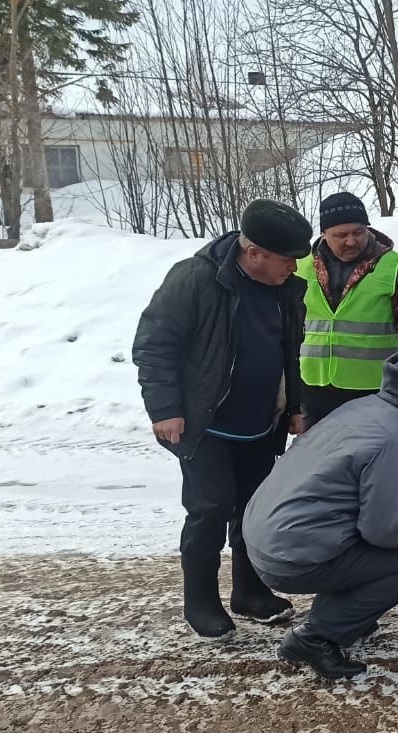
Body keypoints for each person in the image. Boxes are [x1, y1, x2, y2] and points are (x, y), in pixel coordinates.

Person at [131, 199, 313, 640]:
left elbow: (290, 351)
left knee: (253, 510)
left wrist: (295, 405)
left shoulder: (285, 289)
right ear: (255, 253)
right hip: (203, 423)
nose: (294, 267)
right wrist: (165, 409)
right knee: (210, 509)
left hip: (260, 423)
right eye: (288, 259)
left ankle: (249, 593)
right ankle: (201, 601)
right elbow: (154, 345)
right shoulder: (195, 279)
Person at [243, 350, 398, 679]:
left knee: (372, 554)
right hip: (293, 557)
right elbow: (386, 530)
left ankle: (346, 617)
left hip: (267, 537)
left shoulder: (362, 409)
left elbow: (343, 480)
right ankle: (314, 638)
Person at [297, 192, 398, 427]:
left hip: (375, 391)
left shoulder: (394, 266)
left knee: (371, 461)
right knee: (319, 462)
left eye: (358, 232)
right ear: (323, 234)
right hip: (313, 392)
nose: (351, 241)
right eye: (341, 235)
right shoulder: (301, 268)